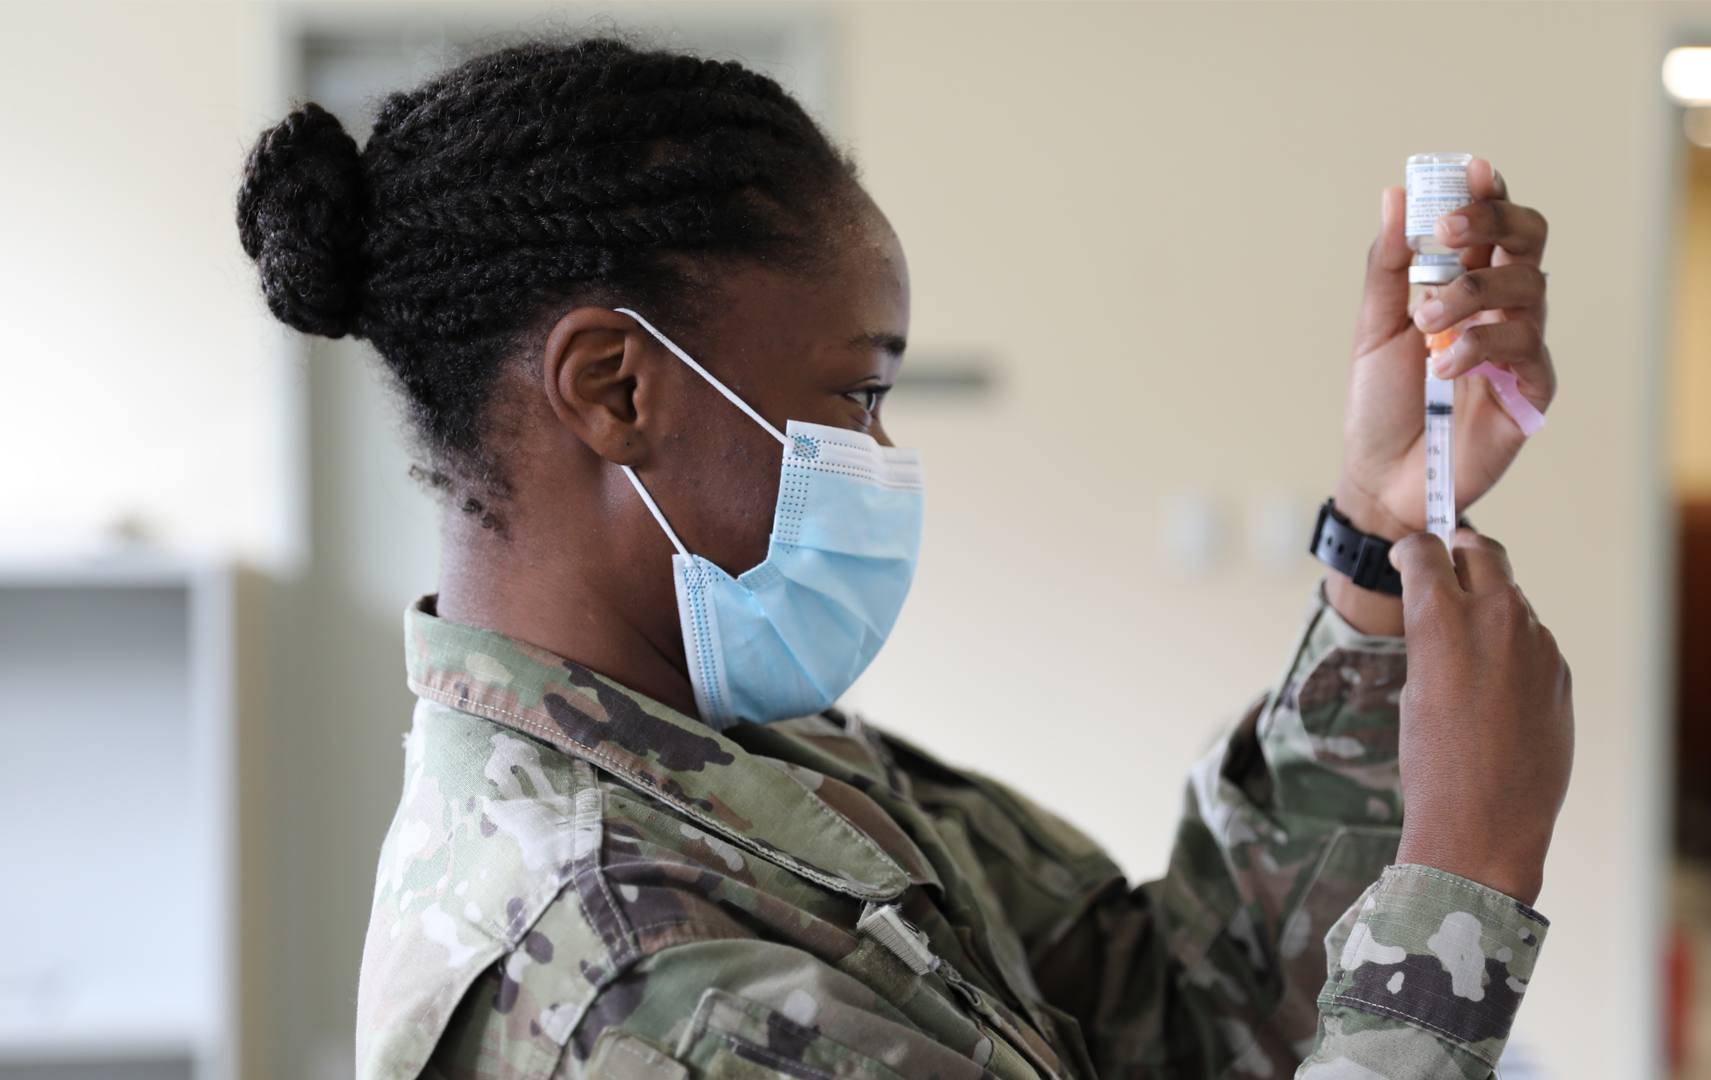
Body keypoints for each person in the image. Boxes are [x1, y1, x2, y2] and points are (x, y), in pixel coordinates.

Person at [236, 38, 1572, 1080]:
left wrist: (1377, 533)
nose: (880, 453)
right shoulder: (635, 986)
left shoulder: (740, 751)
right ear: (616, 388)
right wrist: (1465, 882)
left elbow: (1182, 1017)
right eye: (857, 396)